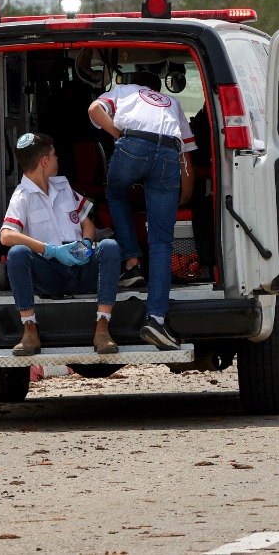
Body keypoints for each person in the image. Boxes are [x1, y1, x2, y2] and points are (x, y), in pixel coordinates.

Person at [88, 69, 194, 351]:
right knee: (162, 240)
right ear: (158, 87)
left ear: (133, 82)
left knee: (115, 193)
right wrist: (186, 195)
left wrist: (119, 134)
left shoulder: (124, 91)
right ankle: (156, 319)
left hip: (132, 145)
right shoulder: (173, 102)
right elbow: (186, 154)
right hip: (168, 155)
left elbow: (94, 109)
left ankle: (132, 264)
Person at [0, 132, 120, 356]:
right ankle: (29, 330)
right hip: (51, 272)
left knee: (110, 247)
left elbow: (88, 225)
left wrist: (84, 243)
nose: (58, 160)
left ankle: (102, 327)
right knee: (17, 253)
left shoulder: (63, 187)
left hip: (81, 267)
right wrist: (50, 249)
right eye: (54, 155)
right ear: (44, 161)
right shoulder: (22, 196)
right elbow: (6, 235)